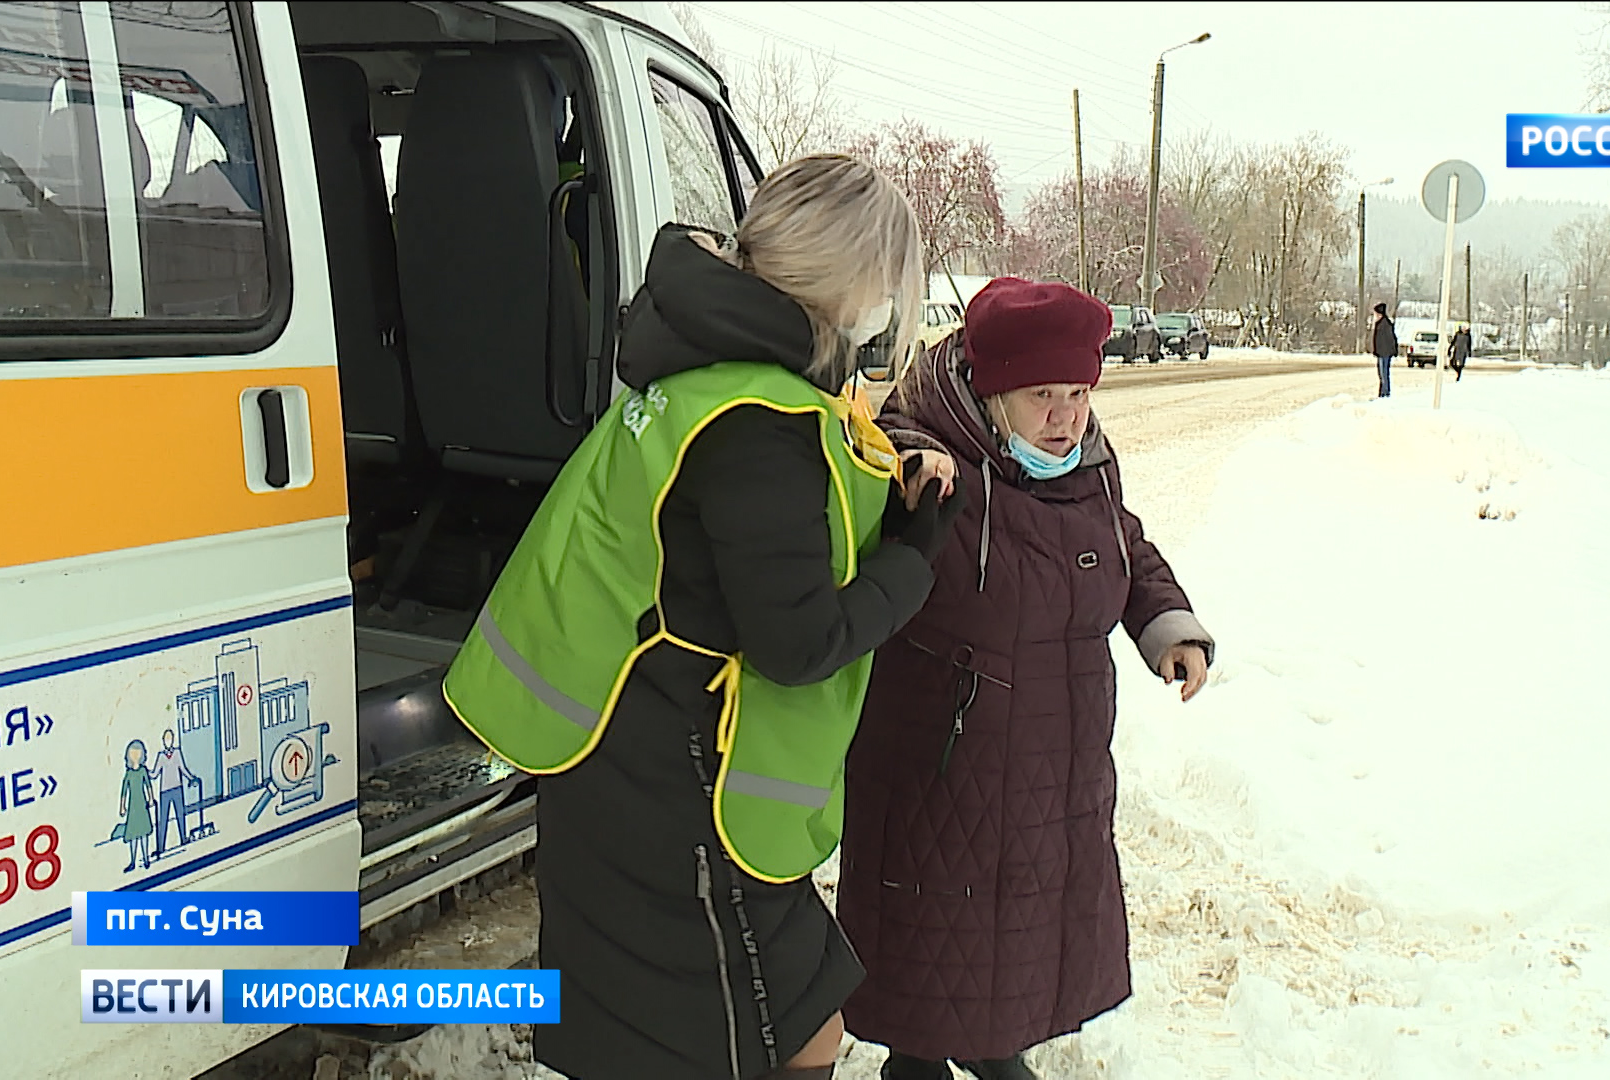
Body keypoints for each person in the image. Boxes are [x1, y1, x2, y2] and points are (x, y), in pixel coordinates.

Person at [443, 154, 963, 1080]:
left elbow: (757, 524)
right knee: (791, 1030)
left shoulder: (704, 371)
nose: (888, 309)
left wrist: (889, 479)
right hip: (683, 778)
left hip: (619, 745)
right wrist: (915, 560)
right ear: (845, 283)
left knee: (654, 1034)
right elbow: (798, 640)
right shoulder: (758, 424)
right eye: (888, 285)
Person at [837, 278, 1216, 1080]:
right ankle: (928, 1060)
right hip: (946, 756)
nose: (1066, 415)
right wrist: (905, 481)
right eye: (1043, 394)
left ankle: (978, 1048)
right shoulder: (929, 459)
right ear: (990, 389)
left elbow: (1124, 542)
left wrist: (1166, 624)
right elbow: (867, 508)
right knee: (941, 922)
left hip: (1057, 749)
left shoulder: (1085, 463)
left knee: (1018, 927)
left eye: (1079, 393)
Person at [152, 728, 198, 855]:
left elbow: (182, 768)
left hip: (177, 788)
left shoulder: (177, 753)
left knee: (180, 814)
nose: (168, 742)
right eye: (166, 739)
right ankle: (161, 847)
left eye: (170, 739)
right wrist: (146, 772)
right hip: (164, 791)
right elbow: (155, 773)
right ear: (163, 741)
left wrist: (191, 778)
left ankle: (183, 838)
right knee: (163, 819)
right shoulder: (161, 756)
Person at [117, 739, 154, 872]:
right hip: (132, 806)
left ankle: (146, 859)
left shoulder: (143, 771)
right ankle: (132, 861)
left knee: (144, 833)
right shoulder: (129, 773)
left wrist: (151, 799)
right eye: (133, 754)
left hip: (142, 805)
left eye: (137, 754)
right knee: (133, 835)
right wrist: (122, 806)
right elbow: (124, 791)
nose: (135, 757)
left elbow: (148, 785)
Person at [1371, 301, 1398, 398]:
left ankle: (1385, 393)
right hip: (1381, 352)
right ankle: (1382, 392)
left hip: (1385, 353)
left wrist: (1393, 350)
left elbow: (1391, 339)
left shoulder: (1385, 324)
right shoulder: (1381, 323)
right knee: (1381, 374)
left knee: (1384, 374)